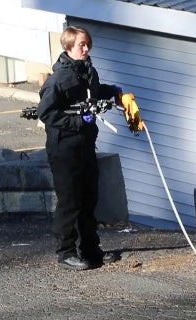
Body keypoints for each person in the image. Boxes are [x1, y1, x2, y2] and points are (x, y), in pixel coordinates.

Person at [37, 26, 122, 271]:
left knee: (88, 198)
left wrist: (112, 92)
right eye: (81, 45)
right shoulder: (59, 79)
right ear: (68, 47)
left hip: (85, 146)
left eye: (88, 44)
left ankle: (90, 249)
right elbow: (47, 113)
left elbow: (92, 93)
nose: (86, 49)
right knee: (70, 200)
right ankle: (65, 252)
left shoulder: (88, 72)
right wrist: (77, 121)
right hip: (64, 148)